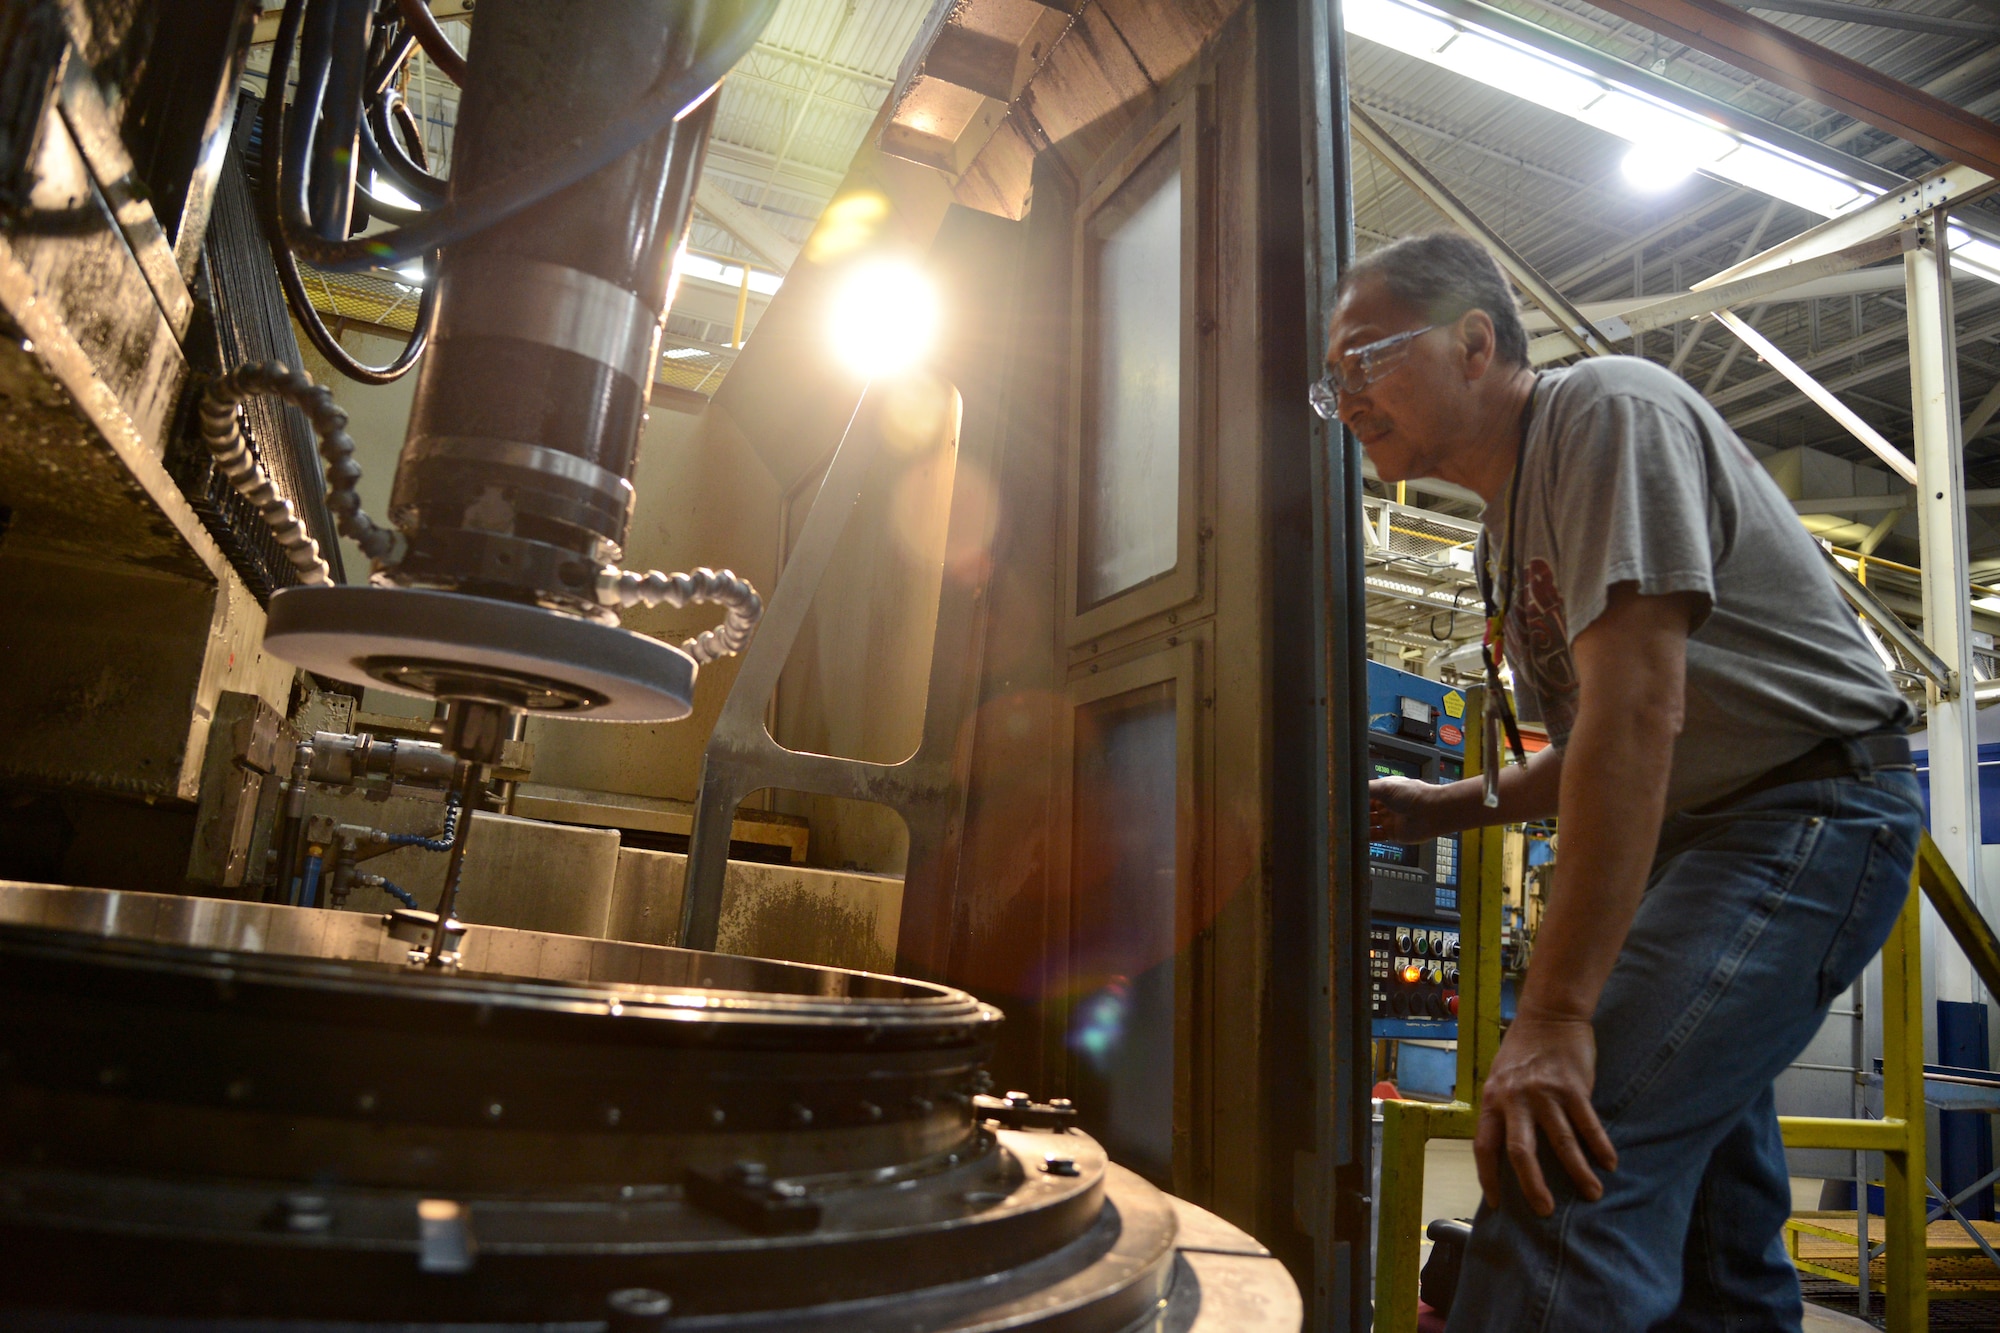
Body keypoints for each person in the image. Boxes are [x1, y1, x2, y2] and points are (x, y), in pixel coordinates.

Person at [1332, 232, 1922, 1331]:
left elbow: (1639, 714)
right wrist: (1445, 806)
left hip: (1806, 809)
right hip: (1705, 837)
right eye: (1331, 376)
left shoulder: (1605, 412)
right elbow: (1601, 730)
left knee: (1560, 1148)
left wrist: (1550, 1014)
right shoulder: (1504, 528)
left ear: (1472, 343)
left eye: (1363, 356)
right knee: (1711, 1231)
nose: (1344, 392)